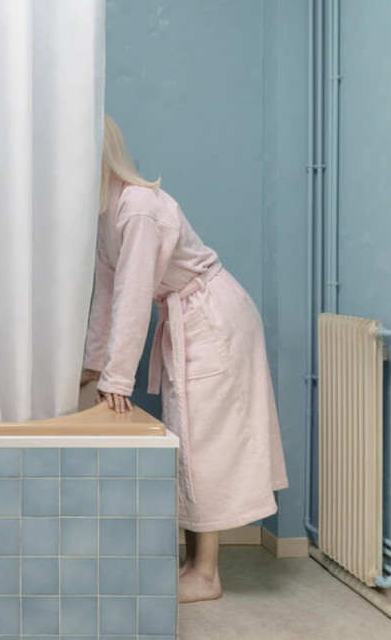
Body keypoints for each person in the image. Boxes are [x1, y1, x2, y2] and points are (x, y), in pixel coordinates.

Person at [82, 115, 288, 603]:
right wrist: (92, 367)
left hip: (211, 318)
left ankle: (206, 574)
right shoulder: (109, 214)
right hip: (191, 316)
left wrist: (118, 379)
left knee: (204, 439)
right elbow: (107, 295)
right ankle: (194, 564)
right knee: (189, 434)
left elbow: (134, 298)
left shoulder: (138, 208)